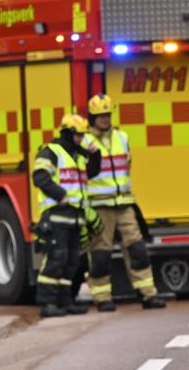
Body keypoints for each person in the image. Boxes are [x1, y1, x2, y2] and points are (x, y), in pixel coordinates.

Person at [82, 94, 166, 311]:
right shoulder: (85, 142)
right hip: (99, 205)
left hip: (124, 203)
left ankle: (148, 294)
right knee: (101, 253)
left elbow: (126, 166)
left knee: (137, 248)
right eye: (100, 115)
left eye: (107, 114)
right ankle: (102, 298)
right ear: (92, 117)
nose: (104, 119)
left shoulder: (122, 137)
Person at [33, 113, 103, 318]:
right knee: (56, 257)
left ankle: (65, 301)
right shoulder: (51, 151)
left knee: (72, 260)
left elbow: (91, 172)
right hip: (57, 215)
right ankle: (47, 303)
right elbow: (39, 177)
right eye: (79, 135)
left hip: (75, 217)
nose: (82, 139)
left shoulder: (78, 155)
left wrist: (95, 154)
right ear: (68, 133)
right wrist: (60, 194)